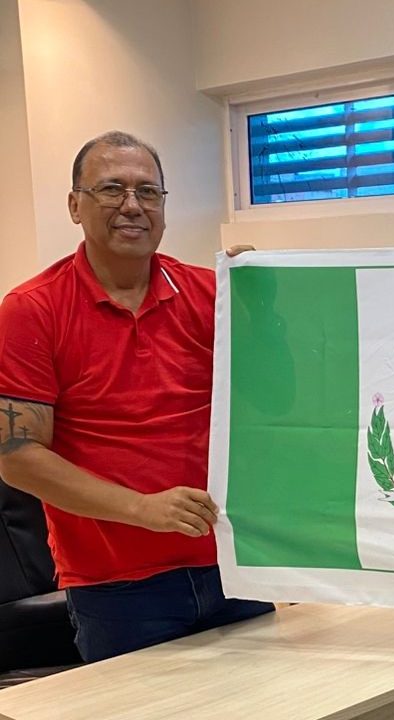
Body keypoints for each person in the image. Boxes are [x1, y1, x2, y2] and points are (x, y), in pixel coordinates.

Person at [0, 131, 271, 663]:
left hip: (234, 560)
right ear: (75, 205)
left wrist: (267, 301)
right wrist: (143, 509)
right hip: (118, 587)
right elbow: (17, 456)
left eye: (148, 192)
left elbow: (277, 404)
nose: (132, 205)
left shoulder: (214, 294)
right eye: (111, 189)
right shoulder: (31, 311)